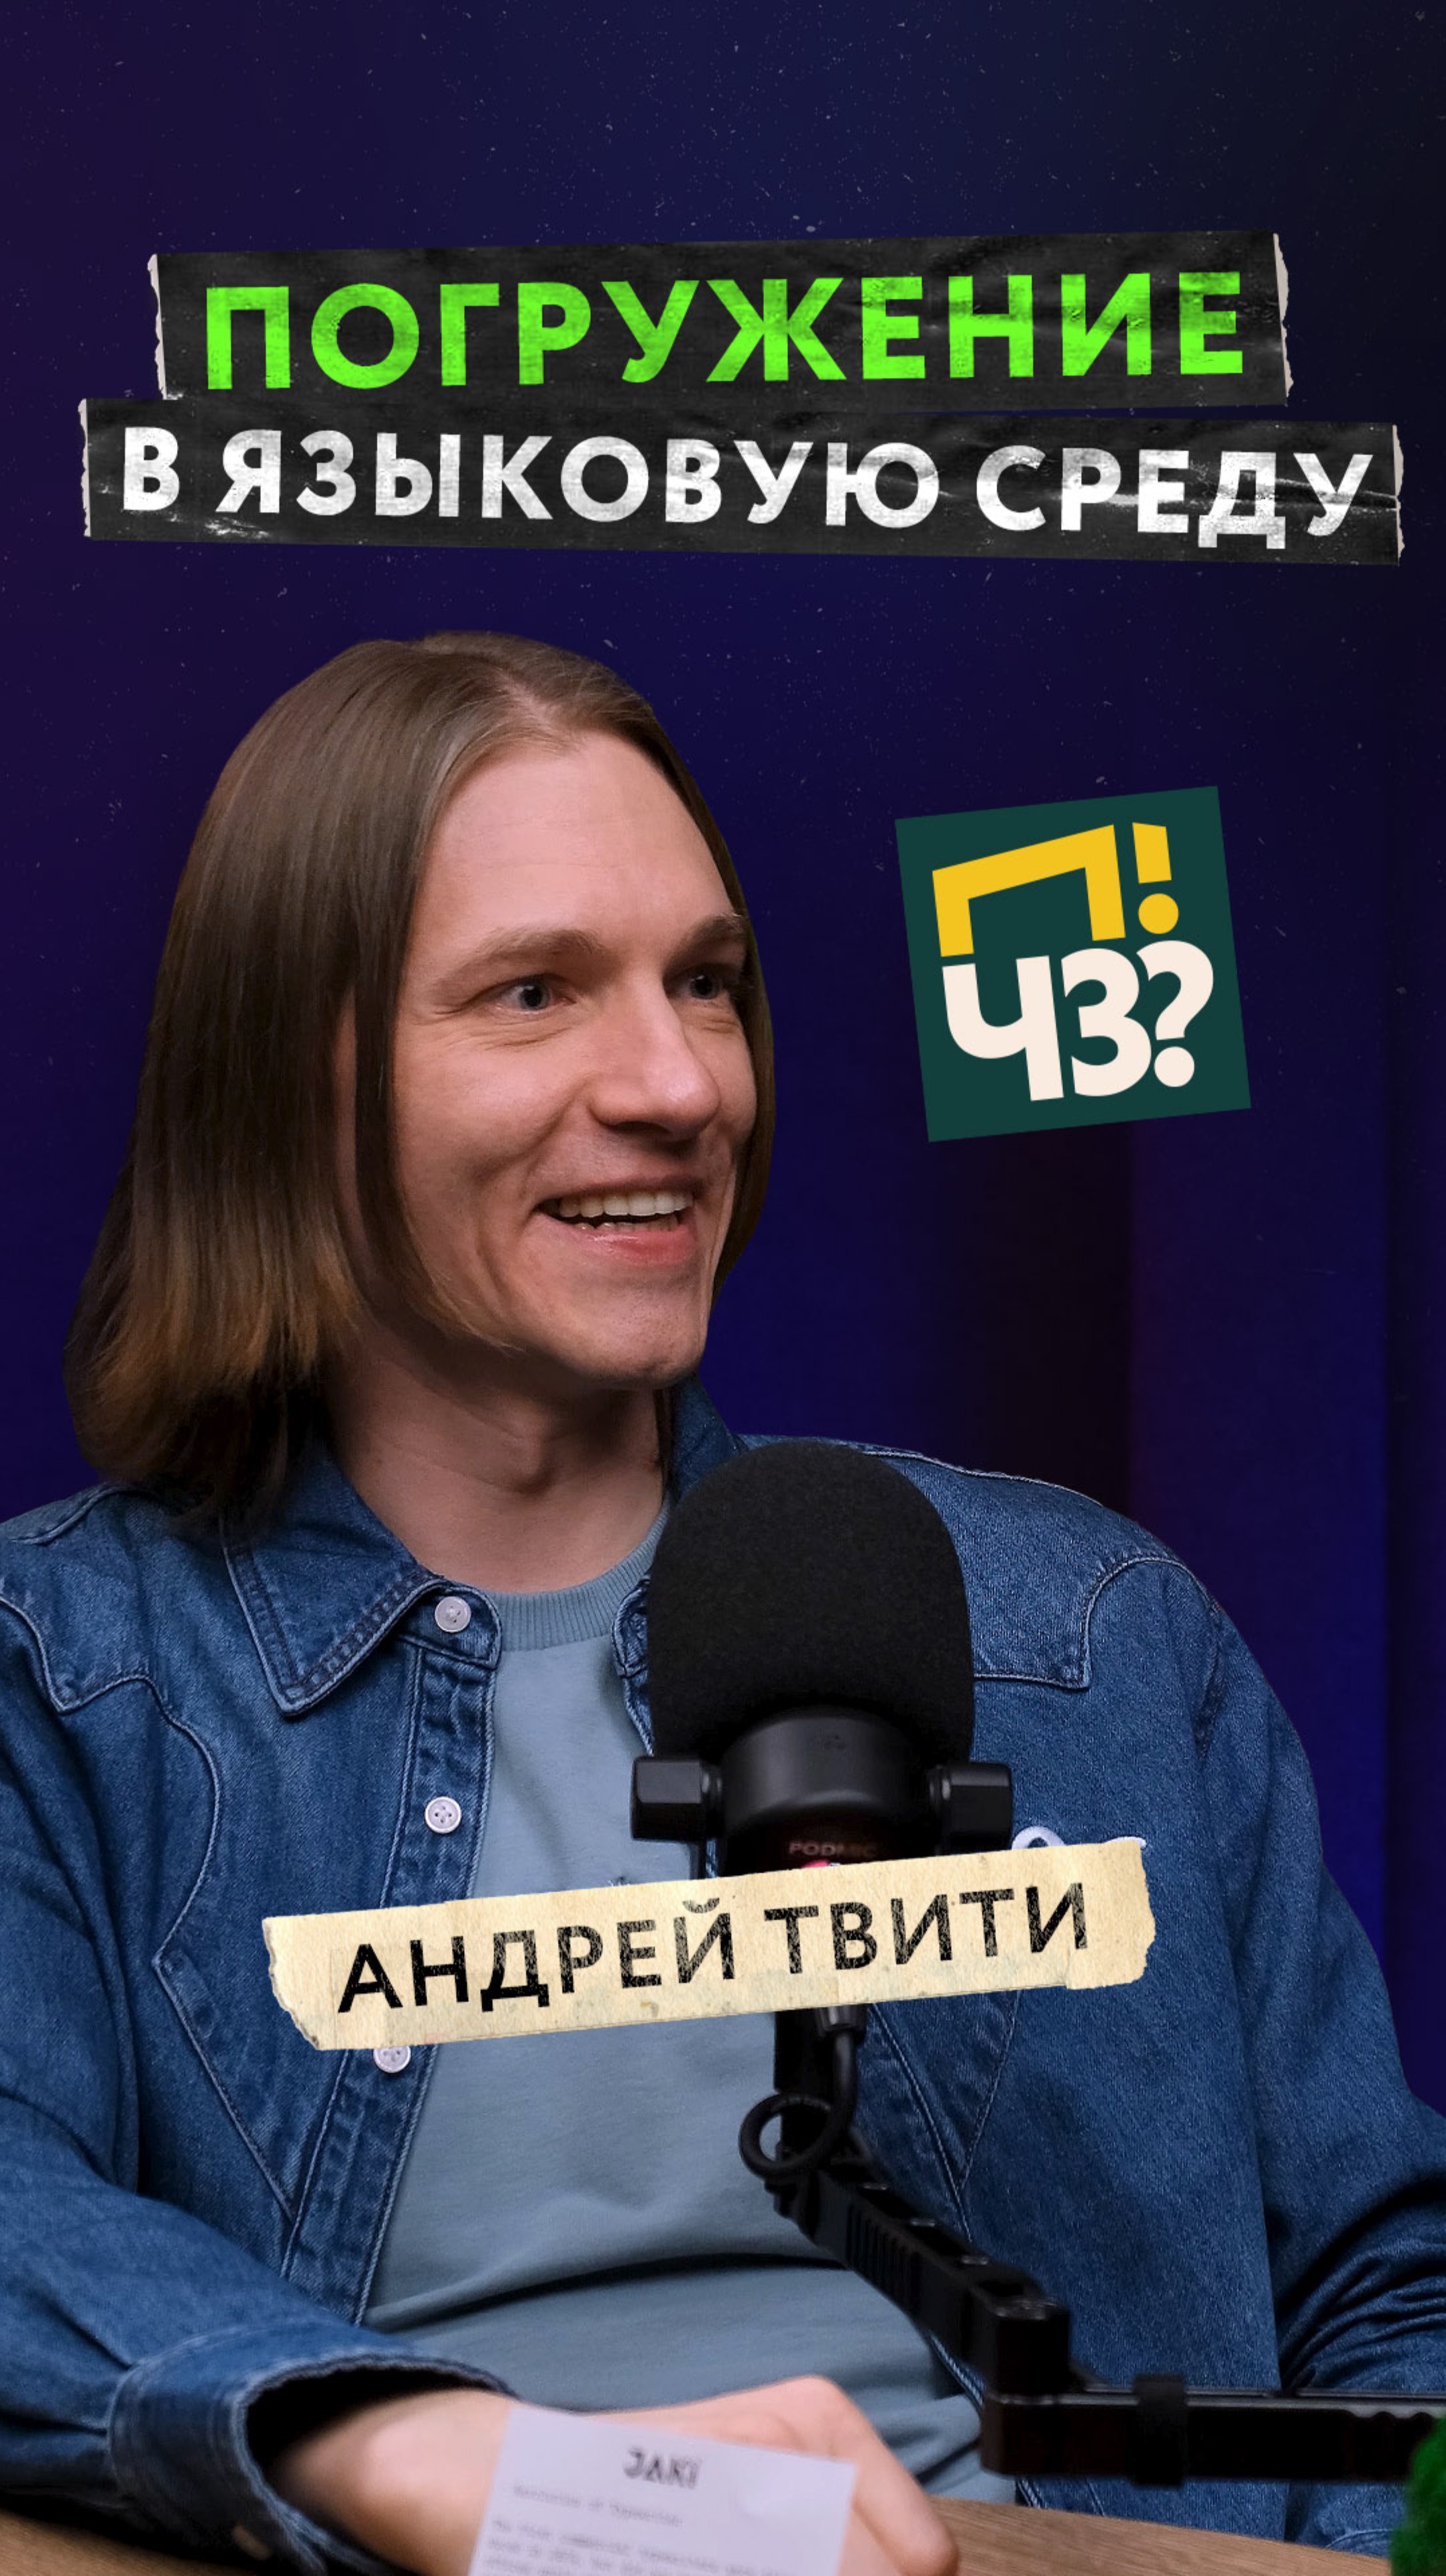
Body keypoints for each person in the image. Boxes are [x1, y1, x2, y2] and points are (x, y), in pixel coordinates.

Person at [1, 633, 1442, 2576]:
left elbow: (1386, 2298)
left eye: (705, 982)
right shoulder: (62, 1682)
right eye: (534, 993)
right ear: (293, 1084)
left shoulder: (1092, 1629)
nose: (680, 1085)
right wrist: (406, 2446)